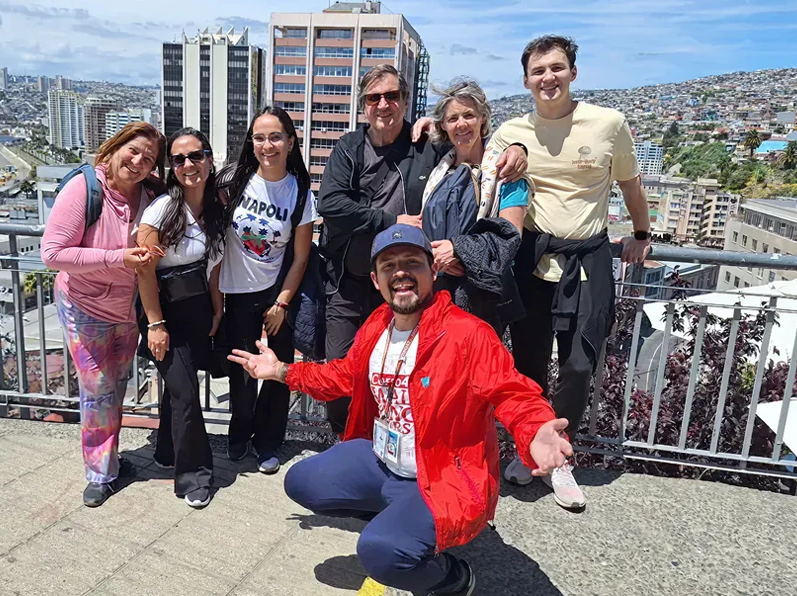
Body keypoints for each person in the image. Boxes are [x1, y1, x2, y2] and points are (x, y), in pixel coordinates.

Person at [229, 224, 573, 595]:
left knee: (381, 552)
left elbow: (512, 391)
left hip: (442, 474)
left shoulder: (467, 333)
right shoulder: (377, 324)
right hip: (382, 459)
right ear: (376, 281)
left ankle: (452, 577)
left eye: (412, 262)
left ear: (433, 271)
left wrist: (535, 429)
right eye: (389, 266)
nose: (401, 273)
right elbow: (342, 375)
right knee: (301, 482)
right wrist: (281, 371)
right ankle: (401, 523)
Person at [415, 36, 652, 509]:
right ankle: (532, 450)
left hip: (588, 257)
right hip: (532, 258)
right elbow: (476, 147)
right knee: (527, 363)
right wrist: (422, 123)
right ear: (525, 80)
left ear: (573, 73)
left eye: (557, 68)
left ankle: (558, 461)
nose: (548, 78)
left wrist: (642, 234)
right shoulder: (512, 131)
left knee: (580, 364)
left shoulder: (608, 123)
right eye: (538, 71)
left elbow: (630, 183)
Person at [317, 64, 529, 435]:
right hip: (351, 282)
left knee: (409, 376)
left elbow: (479, 155)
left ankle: (396, 448)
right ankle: (348, 442)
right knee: (342, 373)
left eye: (392, 96)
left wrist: (517, 148)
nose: (383, 104)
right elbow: (330, 204)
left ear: (405, 100)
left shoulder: (426, 148)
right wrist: (392, 220)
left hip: (410, 287)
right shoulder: (351, 148)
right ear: (363, 105)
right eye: (374, 97)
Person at [41, 122, 167, 507]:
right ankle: (99, 473)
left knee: (115, 385)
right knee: (97, 388)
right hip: (84, 306)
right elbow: (53, 254)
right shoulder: (85, 188)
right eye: (134, 151)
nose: (138, 161)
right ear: (114, 148)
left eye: (148, 158)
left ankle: (108, 457)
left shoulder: (151, 194)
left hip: (127, 310)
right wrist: (118, 258)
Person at [217, 107, 317, 474]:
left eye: (275, 137)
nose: (267, 145)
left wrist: (281, 303)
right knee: (242, 373)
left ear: (290, 142)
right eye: (259, 138)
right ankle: (239, 433)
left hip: (278, 293)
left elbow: (301, 257)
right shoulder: (234, 182)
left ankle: (268, 441)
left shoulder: (300, 192)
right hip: (236, 293)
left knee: (277, 372)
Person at [137, 127, 226, 509]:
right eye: (179, 159)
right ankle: (195, 477)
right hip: (163, 311)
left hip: (196, 308)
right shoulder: (161, 210)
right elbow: (144, 272)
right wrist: (155, 325)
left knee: (181, 387)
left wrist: (217, 308)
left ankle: (166, 450)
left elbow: (214, 264)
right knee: (186, 394)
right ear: (171, 167)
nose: (189, 164)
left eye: (196, 156)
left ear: (209, 159)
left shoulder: (215, 207)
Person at [421, 78, 535, 334]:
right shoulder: (437, 173)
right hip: (433, 294)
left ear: (483, 119)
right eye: (453, 118)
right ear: (444, 125)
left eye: (469, 115)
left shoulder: (508, 174)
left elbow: (510, 235)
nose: (461, 124)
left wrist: (458, 250)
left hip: (482, 302)